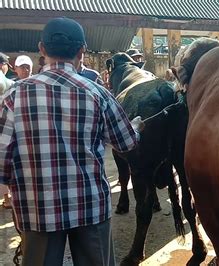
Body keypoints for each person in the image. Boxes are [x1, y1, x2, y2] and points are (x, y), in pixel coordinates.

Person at [0, 17, 144, 266]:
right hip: (90, 207)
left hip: (37, 210)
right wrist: (137, 126)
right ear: (81, 52)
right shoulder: (98, 93)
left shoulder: (14, 96)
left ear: (42, 50)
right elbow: (126, 143)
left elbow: (1, 160)